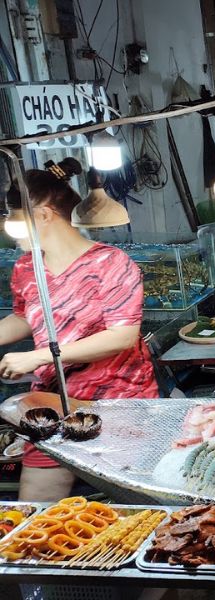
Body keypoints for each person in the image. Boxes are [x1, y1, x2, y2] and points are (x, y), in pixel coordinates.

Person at [0, 159, 158, 501]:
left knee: (134, 505)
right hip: (51, 405)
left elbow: (122, 335)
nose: (9, 228)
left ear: (43, 215)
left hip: (118, 404)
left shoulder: (111, 264)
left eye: (14, 218)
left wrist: (38, 356)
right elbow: (27, 316)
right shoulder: (27, 266)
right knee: (34, 510)